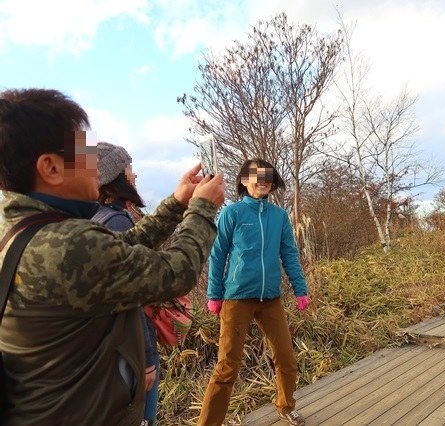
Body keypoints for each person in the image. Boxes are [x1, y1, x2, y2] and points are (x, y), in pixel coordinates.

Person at [0, 88, 225, 426]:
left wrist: (177, 203)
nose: (96, 163)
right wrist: (203, 209)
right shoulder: (67, 246)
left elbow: (122, 250)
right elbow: (176, 272)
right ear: (50, 168)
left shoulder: (26, 229)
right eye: (84, 151)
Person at [198, 159, 309, 426]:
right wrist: (214, 295)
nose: (263, 181)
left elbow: (289, 254)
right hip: (237, 298)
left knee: (287, 359)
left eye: (268, 177)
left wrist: (300, 289)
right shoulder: (232, 213)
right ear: (244, 180)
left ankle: (285, 406)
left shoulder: (278, 216)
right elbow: (218, 254)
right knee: (227, 366)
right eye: (257, 176)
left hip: (270, 299)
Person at [92, 141, 160, 426]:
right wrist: (145, 359)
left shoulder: (92, 218)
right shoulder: (117, 222)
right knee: (143, 416)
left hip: (109, 350)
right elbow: (130, 298)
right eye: (128, 168)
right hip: (131, 349)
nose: (134, 175)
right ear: (114, 179)